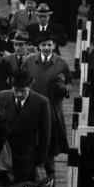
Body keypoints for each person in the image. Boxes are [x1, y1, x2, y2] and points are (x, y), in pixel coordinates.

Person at [0, 69, 51, 187]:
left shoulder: (41, 102)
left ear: (29, 87)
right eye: (16, 90)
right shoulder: (2, 97)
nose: (18, 94)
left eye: (22, 90)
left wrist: (40, 162)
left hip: (25, 156)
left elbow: (45, 134)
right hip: (4, 155)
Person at [24, 33, 71, 175]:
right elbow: (23, 81)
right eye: (43, 45)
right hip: (32, 108)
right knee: (31, 141)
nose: (46, 48)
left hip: (51, 109)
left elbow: (70, 84)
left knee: (49, 142)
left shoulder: (62, 64)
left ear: (54, 46)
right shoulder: (29, 61)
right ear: (38, 46)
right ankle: (32, 175)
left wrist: (64, 89)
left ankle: (51, 175)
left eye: (49, 45)